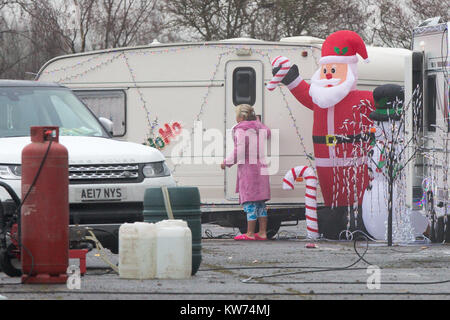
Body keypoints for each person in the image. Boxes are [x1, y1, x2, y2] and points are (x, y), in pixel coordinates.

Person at [270, 30, 374, 239]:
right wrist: (291, 78)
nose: (328, 74)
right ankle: (333, 224)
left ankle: (359, 222)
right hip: (325, 160)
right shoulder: (319, 98)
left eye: (334, 69)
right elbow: (304, 93)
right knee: (331, 196)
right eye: (325, 69)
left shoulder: (362, 98)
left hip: (355, 160)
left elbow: (379, 104)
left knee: (356, 195)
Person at [221, 104, 271, 240]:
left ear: (242, 116)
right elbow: (268, 133)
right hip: (262, 167)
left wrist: (226, 162)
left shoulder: (241, 129)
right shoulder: (259, 127)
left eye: (236, 115)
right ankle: (262, 232)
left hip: (250, 170)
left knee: (250, 202)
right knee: (260, 203)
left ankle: (249, 233)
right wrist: (258, 121)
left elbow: (240, 150)